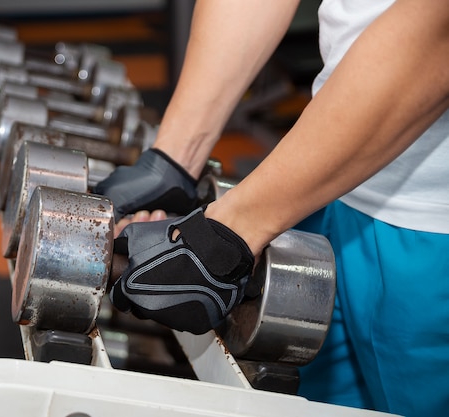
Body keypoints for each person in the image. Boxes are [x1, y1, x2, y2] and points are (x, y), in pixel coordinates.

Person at [92, 0, 449, 415]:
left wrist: (226, 236)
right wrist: (175, 158)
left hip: (432, 233)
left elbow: (438, 31)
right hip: (323, 184)